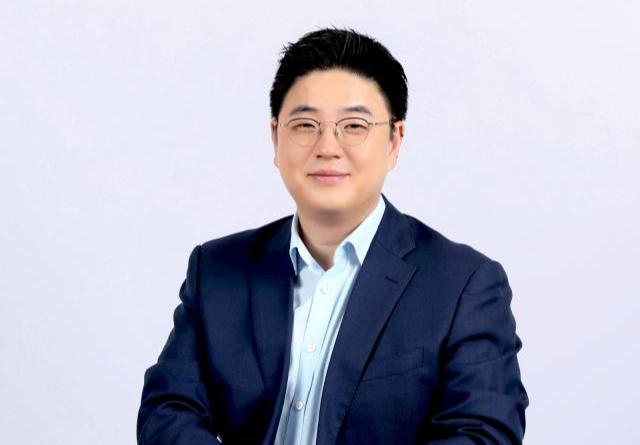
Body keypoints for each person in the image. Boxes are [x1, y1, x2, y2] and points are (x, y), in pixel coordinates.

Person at [136, 27, 528, 445]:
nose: (327, 146)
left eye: (354, 125)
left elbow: (483, 432)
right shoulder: (218, 270)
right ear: (276, 137)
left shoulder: (463, 285)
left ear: (395, 141)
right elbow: (168, 410)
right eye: (305, 124)